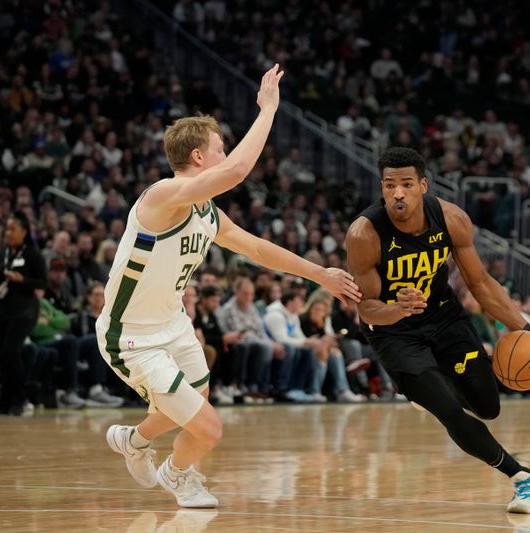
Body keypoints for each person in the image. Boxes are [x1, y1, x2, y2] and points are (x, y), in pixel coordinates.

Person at [97, 65, 360, 508]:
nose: (225, 155)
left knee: (189, 403)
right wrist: (268, 109)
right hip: (132, 336)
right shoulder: (161, 196)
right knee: (209, 427)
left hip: (173, 325)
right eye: (219, 148)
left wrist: (321, 274)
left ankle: (133, 441)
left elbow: (257, 248)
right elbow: (238, 169)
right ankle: (179, 474)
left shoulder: (207, 212)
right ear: (199, 157)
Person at [345, 147, 530, 514]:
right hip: (394, 332)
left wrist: (529, 331)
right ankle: (522, 478)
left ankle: (429, 386)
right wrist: (397, 308)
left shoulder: (452, 219)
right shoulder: (365, 233)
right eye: (390, 185)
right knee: (448, 411)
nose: (398, 193)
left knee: (487, 407)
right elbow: (365, 307)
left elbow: (482, 284)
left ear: (423, 185)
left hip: (444, 317)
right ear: (381, 188)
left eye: (406, 184)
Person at [0, 211, 47, 416]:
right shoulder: (0, 253)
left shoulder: (32, 254)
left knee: (12, 352)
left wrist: (23, 280)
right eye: (7, 229)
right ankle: (5, 402)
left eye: (13, 229)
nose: (8, 233)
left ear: (24, 231)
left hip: (24, 310)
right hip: (2, 309)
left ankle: (21, 397)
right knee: (4, 356)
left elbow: (42, 282)